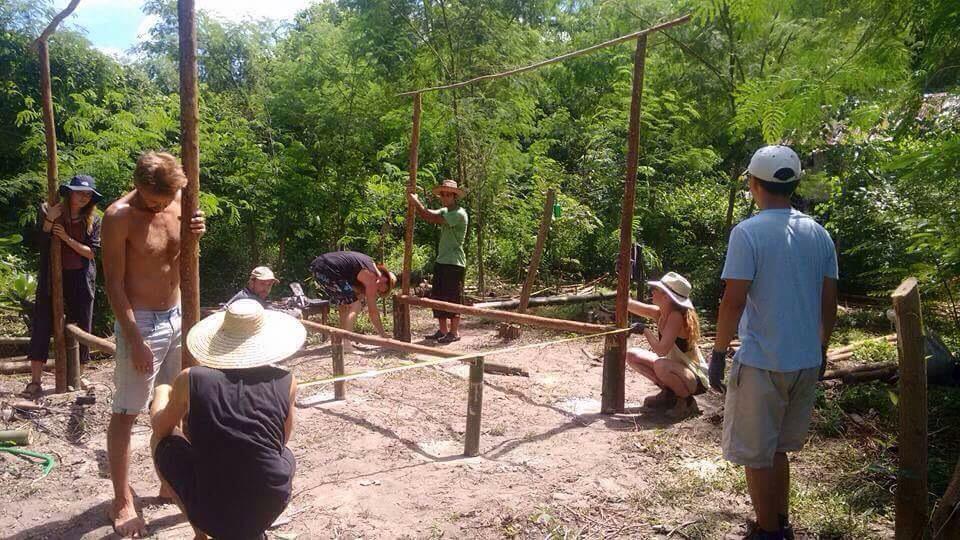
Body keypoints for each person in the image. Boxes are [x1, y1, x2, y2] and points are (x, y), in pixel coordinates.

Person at [709, 145, 838, 540]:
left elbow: (733, 301)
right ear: (794, 184)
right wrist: (821, 348)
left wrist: (718, 352)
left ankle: (769, 532)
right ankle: (780, 522)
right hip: (804, 361)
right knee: (778, 449)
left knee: (755, 455)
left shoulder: (748, 232)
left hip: (763, 361)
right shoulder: (818, 234)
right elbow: (829, 301)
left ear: (753, 184)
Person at [101, 151, 206, 537]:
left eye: (165, 200)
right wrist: (135, 339)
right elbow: (113, 284)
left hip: (179, 314)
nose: (160, 206)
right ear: (138, 185)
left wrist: (196, 232)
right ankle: (122, 499)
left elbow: (182, 253)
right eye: (152, 200)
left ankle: (169, 480)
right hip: (141, 322)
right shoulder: (118, 217)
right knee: (127, 411)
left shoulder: (179, 199)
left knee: (176, 403)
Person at [150, 299, 302, 539]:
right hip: (270, 502)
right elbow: (281, 441)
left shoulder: (191, 378)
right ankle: (250, 527)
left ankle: (200, 534)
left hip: (211, 510)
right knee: (285, 455)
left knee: (160, 442)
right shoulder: (287, 380)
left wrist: (161, 392)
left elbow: (161, 429)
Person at [22, 175, 103, 398]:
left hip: (80, 279)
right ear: (69, 193)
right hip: (52, 278)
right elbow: (41, 242)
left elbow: (90, 253)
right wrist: (50, 220)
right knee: (42, 324)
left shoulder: (94, 220)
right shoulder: (51, 210)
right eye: (79, 192)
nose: (84, 197)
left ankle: (80, 375)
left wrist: (66, 238)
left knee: (82, 324)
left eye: (88, 194)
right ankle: (35, 381)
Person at [626, 272, 708, 419]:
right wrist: (622, 287)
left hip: (693, 377)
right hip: (676, 368)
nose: (653, 292)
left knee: (661, 365)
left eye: (657, 290)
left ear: (667, 297)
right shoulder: (661, 313)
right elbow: (630, 305)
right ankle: (669, 394)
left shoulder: (676, 317)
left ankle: (686, 402)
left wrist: (645, 330)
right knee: (632, 355)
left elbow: (661, 351)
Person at [407, 179, 468, 344]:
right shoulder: (445, 210)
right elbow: (427, 213)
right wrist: (415, 200)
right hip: (442, 261)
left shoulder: (459, 213)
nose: (445, 197)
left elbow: (429, 216)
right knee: (438, 296)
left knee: (453, 298)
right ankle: (442, 330)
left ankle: (454, 332)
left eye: (449, 195)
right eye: (443, 194)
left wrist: (416, 201)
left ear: (455, 196)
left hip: (454, 263)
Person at [309, 251, 396, 348]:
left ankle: (341, 339)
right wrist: (383, 334)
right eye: (385, 289)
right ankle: (346, 343)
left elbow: (350, 295)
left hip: (318, 267)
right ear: (385, 281)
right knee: (355, 305)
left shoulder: (369, 265)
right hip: (329, 269)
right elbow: (373, 312)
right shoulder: (372, 277)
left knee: (345, 305)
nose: (379, 291)